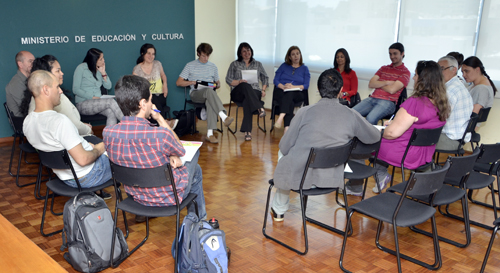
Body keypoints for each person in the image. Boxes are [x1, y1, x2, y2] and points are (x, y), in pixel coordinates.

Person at [270, 68, 380, 221]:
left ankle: (279, 210)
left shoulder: (304, 112)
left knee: (283, 154)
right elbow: (374, 136)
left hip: (302, 178)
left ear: (318, 89)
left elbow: (284, 146)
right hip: (332, 178)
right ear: (341, 90)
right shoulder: (351, 114)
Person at [103, 75, 206, 222]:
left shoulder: (108, 133)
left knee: (191, 168)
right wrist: (158, 118)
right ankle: (200, 225)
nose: (152, 104)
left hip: (136, 196)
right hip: (168, 197)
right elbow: (181, 150)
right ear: (143, 104)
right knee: (194, 158)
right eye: (150, 100)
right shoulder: (160, 135)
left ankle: (146, 213)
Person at [23, 70, 112, 193]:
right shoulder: (59, 121)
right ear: (46, 90)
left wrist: (87, 147)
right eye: (57, 87)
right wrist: (100, 147)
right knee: (121, 148)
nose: (61, 91)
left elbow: (57, 145)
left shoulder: (28, 122)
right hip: (89, 176)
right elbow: (83, 160)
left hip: (65, 177)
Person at [373, 60, 450, 193]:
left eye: (415, 75)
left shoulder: (415, 102)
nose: (413, 78)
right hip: (424, 154)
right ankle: (381, 175)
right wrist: (395, 124)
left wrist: (377, 132)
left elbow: (391, 134)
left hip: (404, 153)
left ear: (423, 79)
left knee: (362, 142)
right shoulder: (441, 103)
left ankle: (362, 183)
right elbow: (420, 126)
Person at [20, 55, 94, 136]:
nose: (62, 73)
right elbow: (75, 125)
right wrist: (89, 131)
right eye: (58, 71)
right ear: (47, 74)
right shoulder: (56, 97)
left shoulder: (35, 97)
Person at [176, 43, 233, 144]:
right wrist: (192, 82)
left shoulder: (213, 66)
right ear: (198, 54)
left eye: (208, 55)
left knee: (209, 97)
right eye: (203, 55)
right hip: (196, 94)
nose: (206, 58)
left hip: (209, 93)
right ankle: (223, 116)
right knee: (209, 92)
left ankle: (210, 134)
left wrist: (217, 84)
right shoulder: (190, 65)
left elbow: (218, 83)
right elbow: (179, 82)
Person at [353, 43, 411, 125]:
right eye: (390, 54)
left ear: (402, 54)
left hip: (388, 102)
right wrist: (387, 82)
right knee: (351, 113)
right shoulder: (383, 68)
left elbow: (392, 90)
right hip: (372, 99)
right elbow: (371, 84)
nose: (392, 57)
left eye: (395, 54)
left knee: (370, 118)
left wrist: (379, 84)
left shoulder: (405, 72)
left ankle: (371, 137)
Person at [225, 42, 269, 141]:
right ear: (240, 53)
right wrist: (239, 81)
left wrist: (263, 89)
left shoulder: (258, 64)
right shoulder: (234, 64)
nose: (246, 53)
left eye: (248, 50)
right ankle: (259, 107)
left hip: (254, 92)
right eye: (244, 51)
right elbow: (228, 80)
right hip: (238, 92)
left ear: (251, 51)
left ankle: (247, 132)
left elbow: (265, 78)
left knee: (247, 100)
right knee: (244, 85)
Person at [73, 48, 123, 126]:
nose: (103, 61)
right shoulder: (81, 68)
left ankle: (109, 137)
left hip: (99, 103)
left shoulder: (100, 69)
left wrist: (103, 73)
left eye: (103, 58)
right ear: (94, 60)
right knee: (110, 102)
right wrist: (92, 97)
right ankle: (129, 124)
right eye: (101, 59)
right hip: (83, 104)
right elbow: (75, 89)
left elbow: (108, 86)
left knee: (111, 112)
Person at [435, 56, 473, 150]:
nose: (439, 72)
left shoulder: (450, 91)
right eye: (437, 69)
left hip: (450, 139)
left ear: (454, 69)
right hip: (460, 137)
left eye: (442, 69)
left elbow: (439, 118)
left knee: (416, 139)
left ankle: (425, 164)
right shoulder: (458, 84)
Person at [272, 46, 310, 133]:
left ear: (300, 55)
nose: (296, 56)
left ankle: (281, 116)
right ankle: (286, 128)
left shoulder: (305, 68)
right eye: (293, 54)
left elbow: (306, 85)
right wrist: (283, 87)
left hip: (297, 93)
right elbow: (276, 80)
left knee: (290, 94)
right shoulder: (283, 66)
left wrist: (292, 87)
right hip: (282, 91)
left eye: (297, 54)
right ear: (289, 57)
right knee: (289, 100)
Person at [132, 43, 170, 119]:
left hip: (160, 95)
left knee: (155, 102)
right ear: (142, 53)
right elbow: (135, 86)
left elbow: (163, 75)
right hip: (145, 98)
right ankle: (164, 122)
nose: (151, 56)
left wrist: (165, 85)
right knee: (152, 99)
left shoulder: (158, 64)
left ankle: (161, 123)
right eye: (148, 53)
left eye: (153, 54)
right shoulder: (137, 69)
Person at [6, 51, 35, 117]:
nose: (34, 64)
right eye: (30, 61)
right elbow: (27, 107)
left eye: (34, 61)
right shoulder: (15, 84)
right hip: (24, 121)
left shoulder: (31, 79)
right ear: (20, 64)